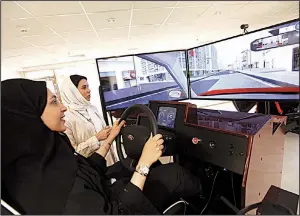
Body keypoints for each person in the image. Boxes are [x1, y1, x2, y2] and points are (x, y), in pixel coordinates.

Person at [1, 79, 203, 215]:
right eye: (54, 102)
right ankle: (206, 201)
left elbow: (84, 168)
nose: (63, 107)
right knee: (175, 174)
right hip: (121, 204)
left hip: (107, 189)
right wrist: (143, 163)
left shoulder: (39, 161)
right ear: (28, 117)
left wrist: (108, 140)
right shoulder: (57, 194)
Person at [60, 75, 115, 165]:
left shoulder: (92, 109)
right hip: (91, 167)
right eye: (84, 87)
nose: (89, 90)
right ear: (73, 92)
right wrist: (96, 139)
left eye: (88, 86)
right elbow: (73, 153)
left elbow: (104, 133)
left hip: (108, 161)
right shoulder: (66, 118)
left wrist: (113, 129)